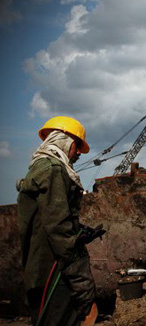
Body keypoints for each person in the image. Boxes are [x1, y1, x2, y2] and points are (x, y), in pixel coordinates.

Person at [17, 116, 100, 325]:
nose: (79, 153)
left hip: (40, 268)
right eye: (77, 146)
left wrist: (79, 230)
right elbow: (60, 230)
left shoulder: (39, 166)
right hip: (54, 272)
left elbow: (48, 220)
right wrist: (83, 286)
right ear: (65, 141)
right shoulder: (53, 169)